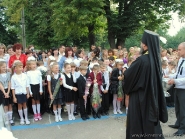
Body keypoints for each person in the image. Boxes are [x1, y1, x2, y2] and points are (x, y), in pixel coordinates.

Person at [123, 30, 168, 139]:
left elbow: (128, 76)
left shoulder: (142, 60)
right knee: (150, 125)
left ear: (144, 44)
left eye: (142, 42)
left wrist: (127, 90)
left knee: (138, 124)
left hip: (139, 98)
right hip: (151, 96)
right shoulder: (156, 59)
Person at [168, 42, 185, 136]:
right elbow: (178, 73)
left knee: (183, 109)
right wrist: (169, 76)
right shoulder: (181, 59)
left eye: (179, 49)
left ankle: (183, 128)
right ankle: (178, 123)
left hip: (183, 89)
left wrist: (175, 81)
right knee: (177, 107)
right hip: (178, 88)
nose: (178, 51)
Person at [11, 60, 30, 125]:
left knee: (24, 105)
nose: (21, 68)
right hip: (18, 93)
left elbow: (27, 85)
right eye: (20, 67)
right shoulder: (13, 77)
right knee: (19, 105)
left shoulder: (25, 75)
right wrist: (14, 97)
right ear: (15, 68)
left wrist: (28, 93)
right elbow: (13, 88)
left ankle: (26, 118)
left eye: (22, 67)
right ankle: (21, 118)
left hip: (24, 92)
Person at [0, 61, 14, 126]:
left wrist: (8, 92)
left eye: (5, 67)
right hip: (2, 91)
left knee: (10, 105)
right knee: (5, 105)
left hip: (8, 90)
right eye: (3, 67)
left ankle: (11, 119)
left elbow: (9, 83)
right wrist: (5, 93)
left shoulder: (8, 74)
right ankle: (6, 119)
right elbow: (0, 85)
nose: (4, 68)